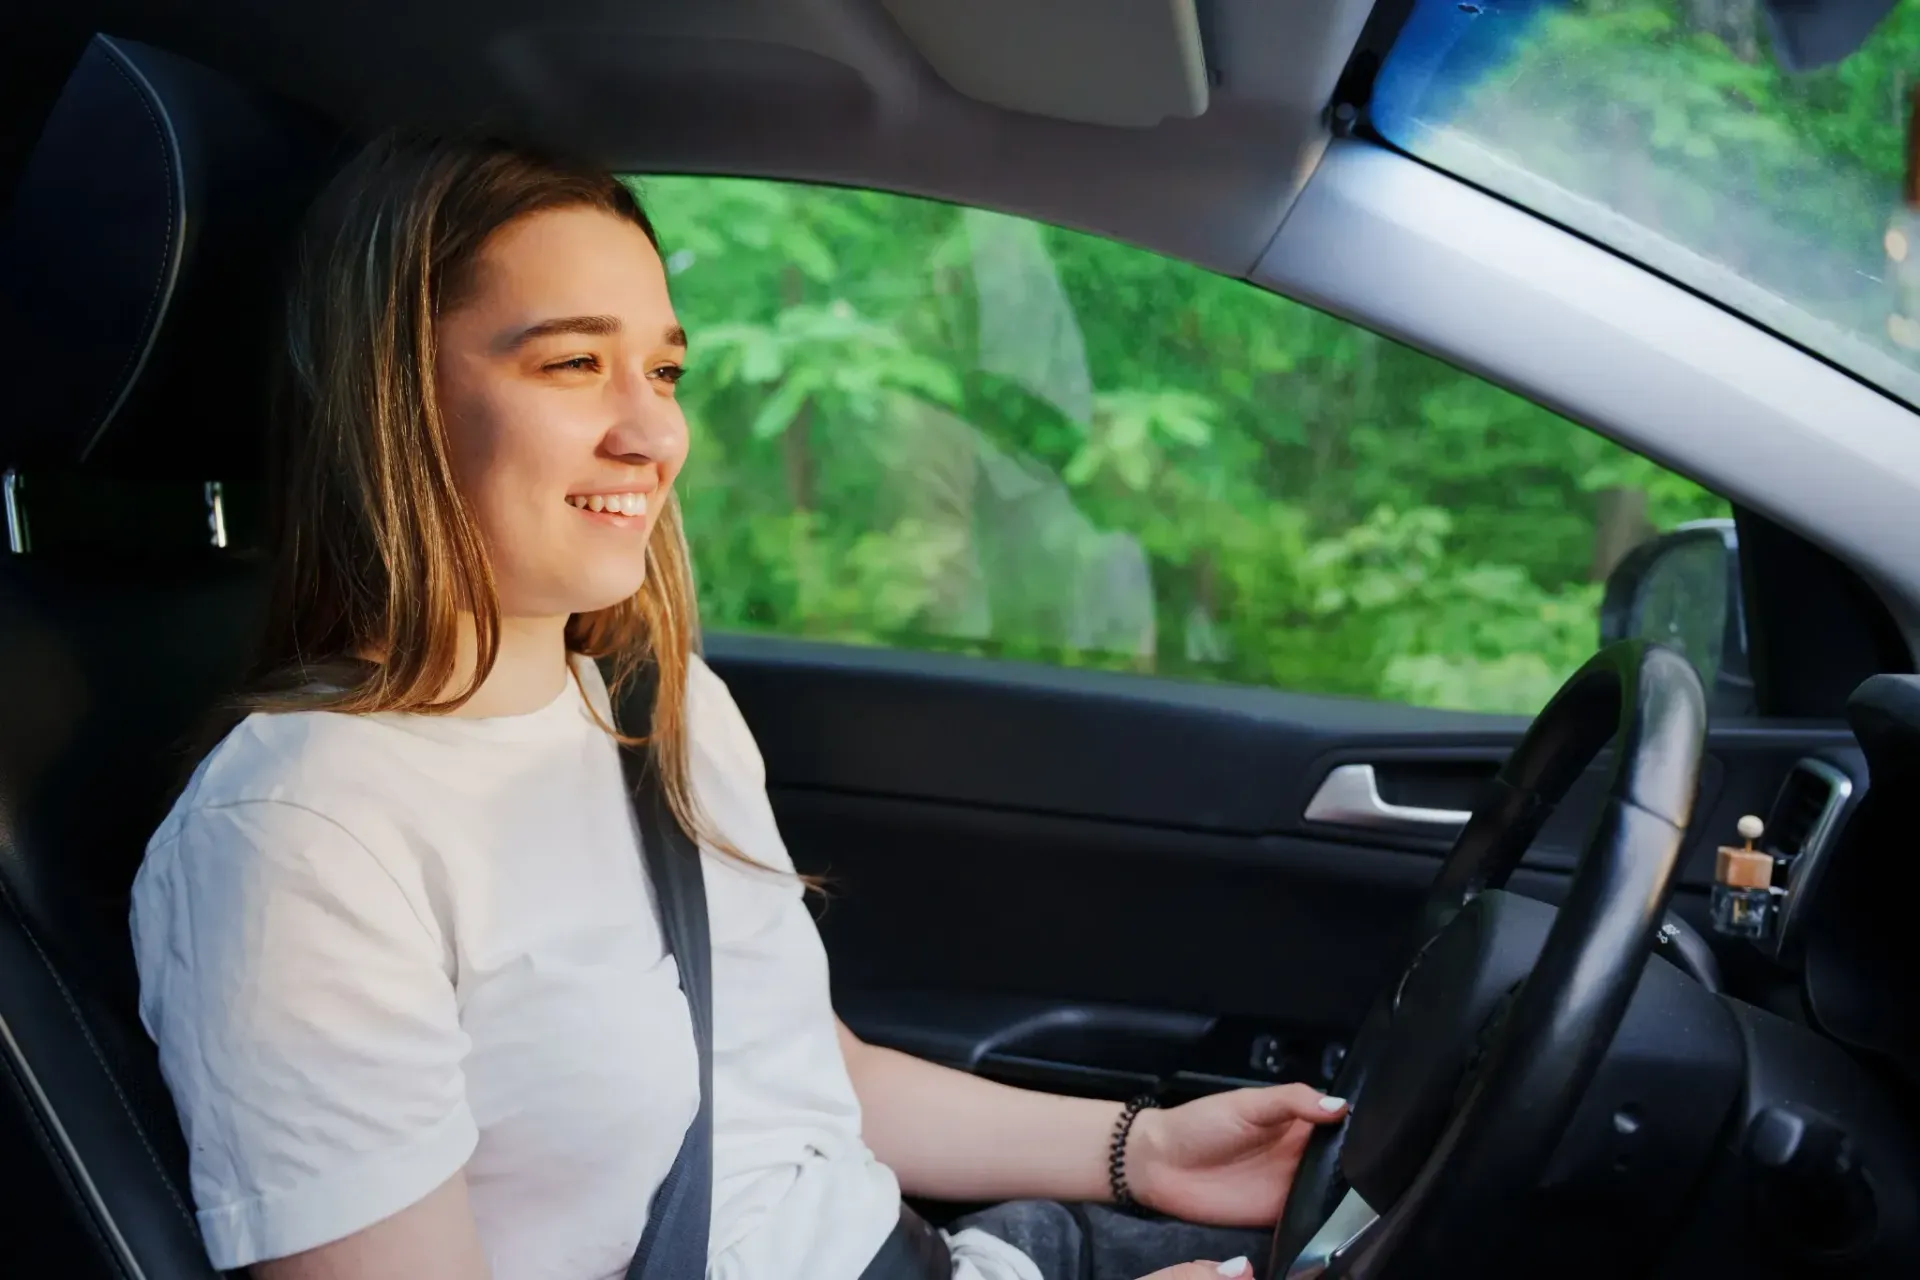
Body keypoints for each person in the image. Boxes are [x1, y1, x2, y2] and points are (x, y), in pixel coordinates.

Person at [128, 134, 1348, 1280]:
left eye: (663, 368)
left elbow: (793, 1074)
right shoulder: (299, 833)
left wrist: (1144, 1146)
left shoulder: (662, 707)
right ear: (394, 400)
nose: (654, 429)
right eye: (572, 362)